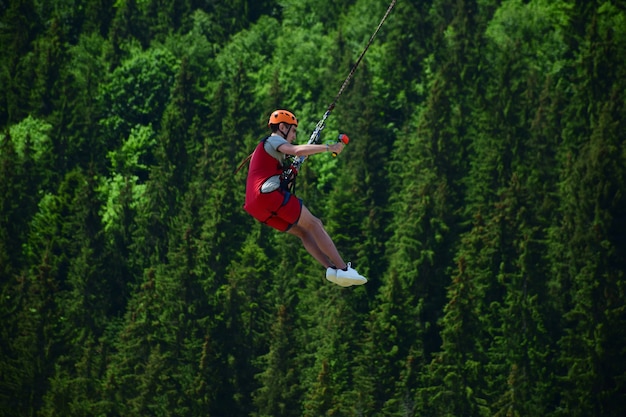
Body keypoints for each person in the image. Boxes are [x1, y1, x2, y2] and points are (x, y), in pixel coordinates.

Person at [243, 109, 367, 287]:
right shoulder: (274, 139)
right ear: (282, 127)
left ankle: (331, 269)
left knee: (304, 231)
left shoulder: (264, 149)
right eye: (293, 131)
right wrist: (328, 147)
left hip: (257, 208)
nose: (293, 136)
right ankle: (344, 270)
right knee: (315, 224)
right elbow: (296, 150)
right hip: (268, 195)